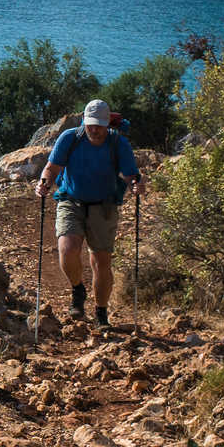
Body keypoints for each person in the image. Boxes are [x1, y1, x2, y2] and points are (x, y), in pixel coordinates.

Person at [34, 99, 145, 327]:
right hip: (71, 200)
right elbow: (52, 168)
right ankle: (78, 290)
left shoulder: (118, 143)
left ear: (107, 124)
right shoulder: (70, 138)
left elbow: (129, 174)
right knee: (67, 249)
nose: (94, 130)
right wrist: (44, 183)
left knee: (100, 261)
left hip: (104, 205)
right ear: (84, 121)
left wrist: (136, 184)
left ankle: (101, 313)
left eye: (99, 125)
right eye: (90, 124)